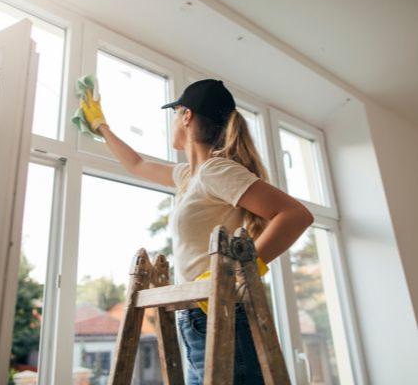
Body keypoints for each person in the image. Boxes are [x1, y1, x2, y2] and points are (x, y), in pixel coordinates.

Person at [81, 78, 314, 384]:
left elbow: (296, 215)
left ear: (186, 116)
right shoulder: (189, 176)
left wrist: (242, 270)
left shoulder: (218, 170)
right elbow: (136, 164)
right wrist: (101, 126)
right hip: (196, 317)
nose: (173, 122)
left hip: (222, 315)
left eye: (175, 114)